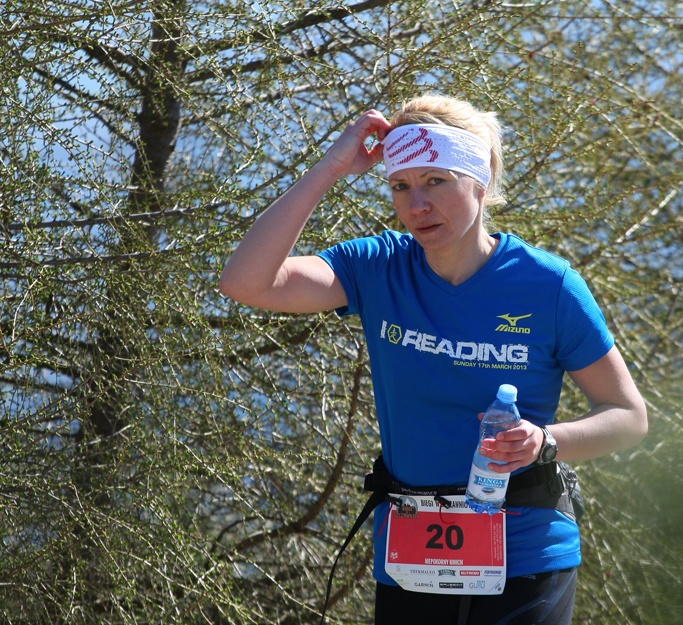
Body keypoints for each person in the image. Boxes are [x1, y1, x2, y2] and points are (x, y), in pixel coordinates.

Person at [219, 95, 647, 625]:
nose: (416, 205)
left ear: (479, 181)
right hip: (411, 554)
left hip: (526, 552)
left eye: (435, 181)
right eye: (401, 186)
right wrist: (331, 167)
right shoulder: (377, 267)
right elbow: (246, 282)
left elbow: (628, 416)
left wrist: (544, 442)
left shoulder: (550, 286)